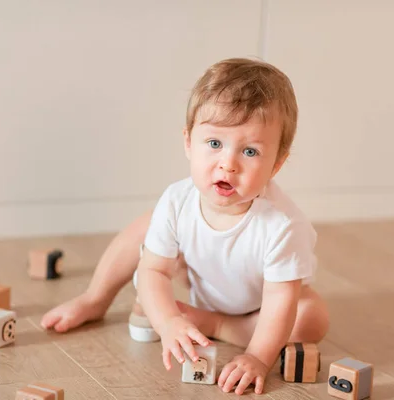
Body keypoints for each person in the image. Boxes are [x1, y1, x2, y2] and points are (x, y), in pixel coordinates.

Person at [41, 57, 329, 395]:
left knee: (311, 318)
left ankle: (215, 324)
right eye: (214, 144)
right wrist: (168, 323)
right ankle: (95, 298)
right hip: (198, 274)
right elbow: (154, 272)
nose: (228, 164)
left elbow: (281, 300)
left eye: (250, 151)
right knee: (148, 225)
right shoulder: (177, 200)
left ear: (277, 165)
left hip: (259, 307)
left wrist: (258, 357)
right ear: (189, 142)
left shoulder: (282, 225)